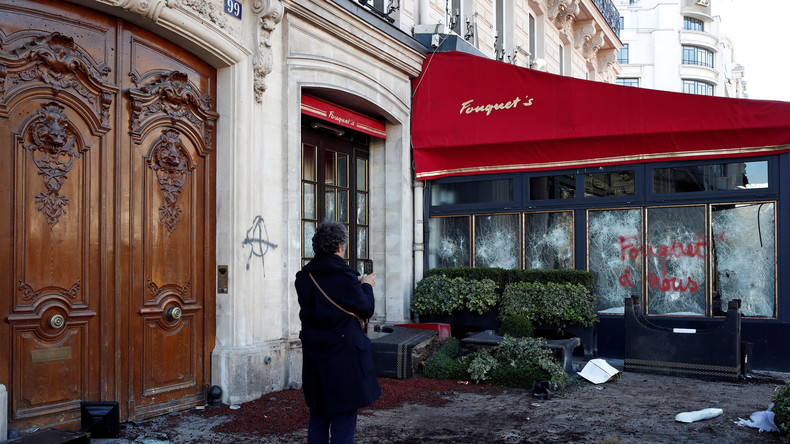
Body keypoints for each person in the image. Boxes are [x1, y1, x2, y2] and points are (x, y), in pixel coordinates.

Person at [294, 221, 381, 444]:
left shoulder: (304, 278)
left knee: (319, 418)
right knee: (343, 422)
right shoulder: (346, 278)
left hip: (315, 359)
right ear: (340, 247)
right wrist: (367, 285)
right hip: (343, 359)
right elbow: (366, 308)